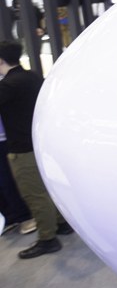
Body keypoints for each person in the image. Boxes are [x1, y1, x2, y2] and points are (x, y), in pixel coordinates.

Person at [0, 41, 72, 258]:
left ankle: (47, 239)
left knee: (34, 194)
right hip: (40, 143)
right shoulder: (31, 77)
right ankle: (61, 223)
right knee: (48, 188)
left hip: (23, 149)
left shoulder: (8, 85)